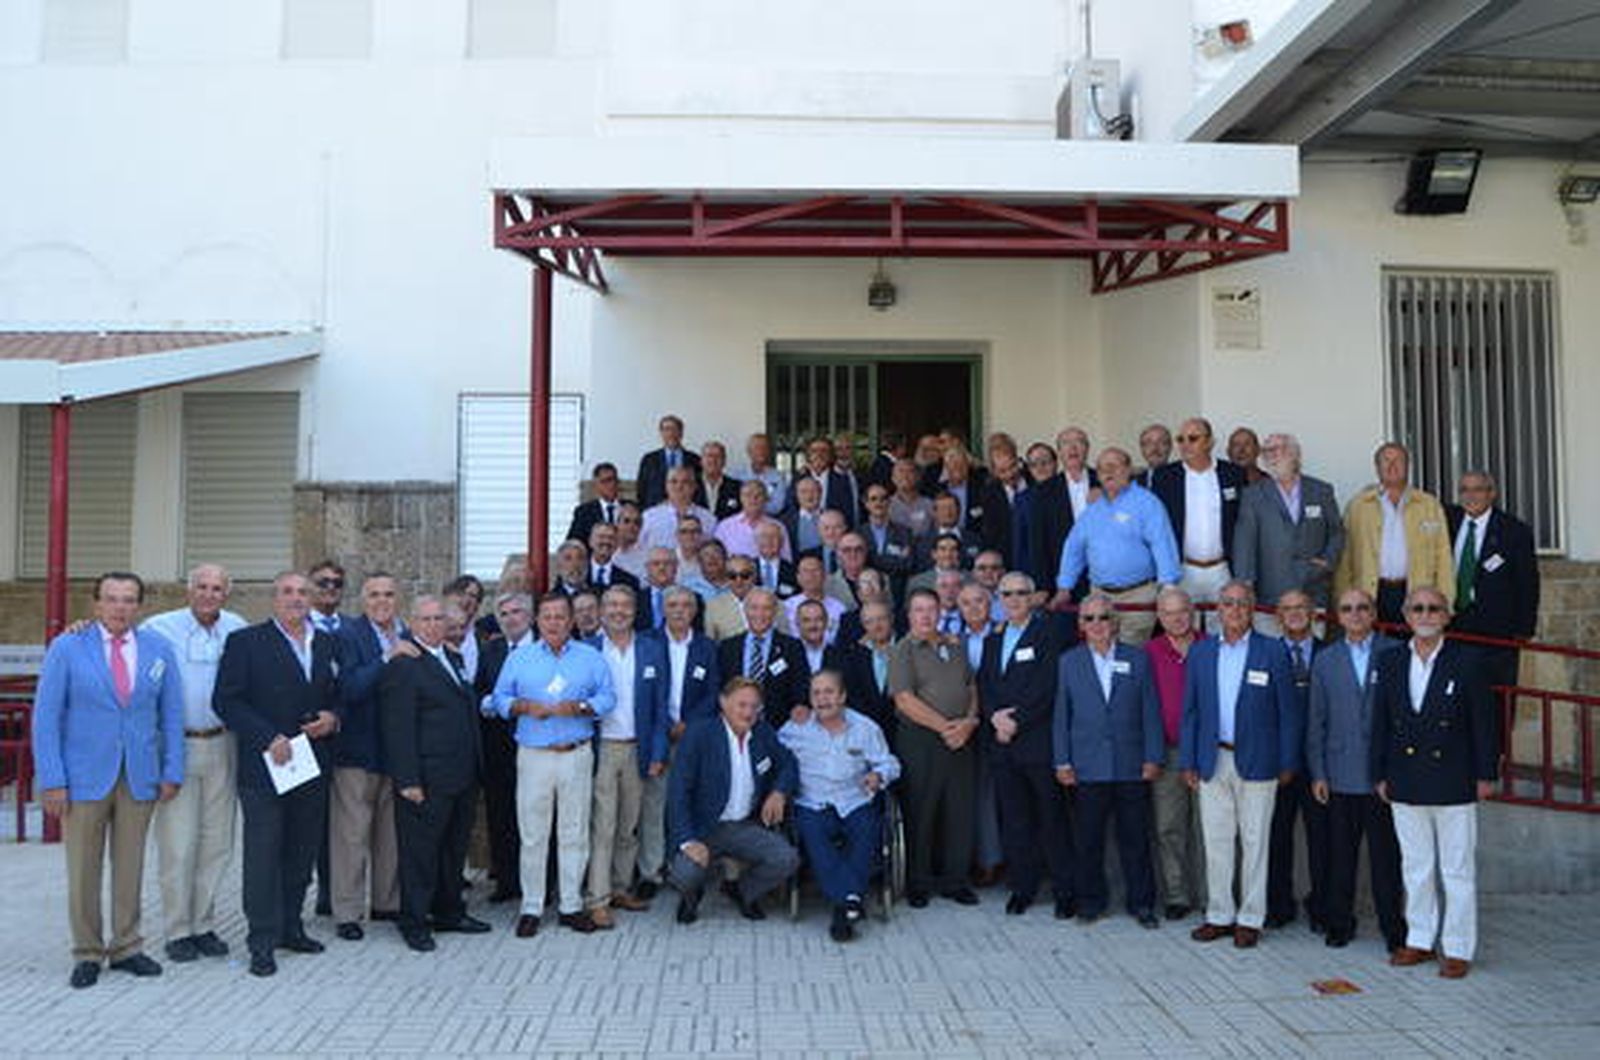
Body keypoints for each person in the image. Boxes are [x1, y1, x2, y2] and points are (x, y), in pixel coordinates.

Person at [34, 572, 184, 989]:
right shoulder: (67, 647)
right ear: (97, 604)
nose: (120, 607)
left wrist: (171, 769)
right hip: (82, 778)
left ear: (140, 606)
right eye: (112, 599)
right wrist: (52, 779)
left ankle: (127, 947)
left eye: (129, 600)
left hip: (139, 776)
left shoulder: (159, 649)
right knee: (83, 869)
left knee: (130, 866)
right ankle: (86, 951)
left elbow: (170, 715)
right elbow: (45, 718)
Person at [213, 571, 342, 978]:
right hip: (265, 766)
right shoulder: (246, 642)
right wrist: (267, 737)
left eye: (303, 592)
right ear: (274, 598)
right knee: (264, 854)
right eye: (288, 592)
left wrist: (333, 718)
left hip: (311, 763)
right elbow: (226, 700)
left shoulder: (326, 642)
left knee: (301, 851)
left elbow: (338, 696)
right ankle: (261, 941)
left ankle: (291, 927)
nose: (296, 599)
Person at [1373, 586, 1498, 979]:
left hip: (1454, 779)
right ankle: (1420, 940)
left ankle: (1459, 948)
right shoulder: (1390, 661)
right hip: (1406, 779)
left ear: (1447, 616)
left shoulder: (1468, 661)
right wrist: (1379, 773)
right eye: (1418, 608)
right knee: (1416, 866)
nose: (1425, 614)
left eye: (1434, 608)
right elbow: (1380, 724)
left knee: (1457, 869)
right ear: (1407, 617)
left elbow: (1484, 723)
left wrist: (1485, 774)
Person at [1179, 581, 1298, 949]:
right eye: (1227, 604)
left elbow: (1289, 714)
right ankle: (1218, 914)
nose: (1234, 610)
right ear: (1218, 609)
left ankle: (1250, 918)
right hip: (1212, 759)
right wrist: (1188, 760)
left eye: (1242, 604)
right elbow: (1191, 712)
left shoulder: (1274, 652)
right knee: (1215, 842)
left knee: (1255, 841)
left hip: (1260, 761)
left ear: (1252, 610)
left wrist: (1287, 760)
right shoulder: (1201, 653)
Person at [491, 592, 617, 938]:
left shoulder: (590, 657)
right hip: (534, 755)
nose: (554, 623)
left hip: (575, 753)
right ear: (537, 620)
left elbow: (609, 698)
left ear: (571, 620)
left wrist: (580, 707)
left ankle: (571, 905)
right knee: (533, 834)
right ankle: (531, 906)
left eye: (560, 616)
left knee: (574, 831)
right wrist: (522, 707)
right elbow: (497, 699)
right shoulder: (521, 658)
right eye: (547, 617)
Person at [142, 563, 247, 964]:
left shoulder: (237, 627)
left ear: (227, 593)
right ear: (189, 590)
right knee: (177, 843)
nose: (209, 594)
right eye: (201, 587)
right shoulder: (158, 628)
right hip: (178, 746)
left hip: (224, 744)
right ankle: (177, 929)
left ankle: (203, 924)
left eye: (217, 588)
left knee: (217, 843)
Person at [377, 595, 490, 952]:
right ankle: (414, 921)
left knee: (452, 850)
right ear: (412, 623)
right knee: (420, 854)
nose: (434, 625)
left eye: (439, 618)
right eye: (425, 619)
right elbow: (397, 727)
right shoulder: (404, 665)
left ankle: (449, 912)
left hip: (461, 775)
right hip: (425, 778)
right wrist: (407, 779)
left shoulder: (453, 658)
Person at [1052, 593, 1163, 928]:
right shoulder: (1069, 662)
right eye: (1089, 619)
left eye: (1103, 618)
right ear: (1080, 625)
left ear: (1115, 622)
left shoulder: (1138, 658)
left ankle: (1142, 903)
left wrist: (1153, 755)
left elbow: (1150, 711)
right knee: (1088, 840)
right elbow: (1062, 716)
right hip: (1087, 766)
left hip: (1131, 764)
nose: (1097, 625)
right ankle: (1090, 902)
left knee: (1135, 840)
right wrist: (1062, 761)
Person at [1306, 588, 1404, 951]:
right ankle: (1339, 924)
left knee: (1386, 860)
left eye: (1362, 608)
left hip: (1381, 778)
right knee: (1340, 857)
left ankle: (1393, 928)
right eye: (1347, 609)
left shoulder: (1394, 653)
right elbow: (1315, 722)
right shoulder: (1326, 659)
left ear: (1374, 612)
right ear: (1338, 616)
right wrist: (1318, 772)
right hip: (1339, 773)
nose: (1356, 614)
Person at [779, 670, 902, 942]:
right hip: (812, 800)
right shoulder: (795, 728)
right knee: (812, 832)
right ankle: (850, 900)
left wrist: (878, 775)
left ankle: (843, 902)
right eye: (816, 693)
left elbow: (890, 763)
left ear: (843, 696)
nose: (822, 699)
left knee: (868, 827)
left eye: (829, 692)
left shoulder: (865, 727)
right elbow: (773, 756)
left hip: (854, 798)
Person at [979, 572, 1073, 918]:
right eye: (1007, 594)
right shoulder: (994, 638)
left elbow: (1047, 687)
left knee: (1052, 819)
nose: (1014, 599)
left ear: (1033, 597)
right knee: (1015, 821)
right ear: (999, 599)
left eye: (1022, 593)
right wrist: (994, 718)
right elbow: (985, 685)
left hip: (1036, 741)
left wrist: (1016, 721)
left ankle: (1065, 891)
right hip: (1002, 745)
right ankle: (1023, 888)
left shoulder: (1049, 634)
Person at [668, 677, 800, 924]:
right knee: (685, 873)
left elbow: (788, 764)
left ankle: (741, 891)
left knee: (787, 858)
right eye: (742, 705)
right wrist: (687, 841)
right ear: (723, 703)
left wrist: (779, 792)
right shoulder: (700, 734)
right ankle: (691, 894)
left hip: (744, 825)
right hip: (704, 827)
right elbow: (678, 792)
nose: (748, 712)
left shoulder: (763, 733)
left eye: (754, 706)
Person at [890, 589, 981, 908]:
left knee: (959, 810)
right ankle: (919, 882)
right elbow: (904, 699)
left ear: (941, 611)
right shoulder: (903, 649)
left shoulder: (954, 646)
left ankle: (956, 881)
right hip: (922, 740)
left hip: (961, 739)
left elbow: (971, 686)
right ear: (909, 615)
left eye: (931, 609)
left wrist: (969, 722)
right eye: (919, 610)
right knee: (922, 810)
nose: (926, 616)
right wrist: (946, 728)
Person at [329, 572, 408, 940]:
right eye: (374, 594)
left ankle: (386, 902)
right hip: (357, 752)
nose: (382, 601)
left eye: (389, 594)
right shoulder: (347, 636)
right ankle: (347, 911)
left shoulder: (406, 634)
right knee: (351, 836)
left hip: (394, 751)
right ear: (363, 600)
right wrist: (387, 658)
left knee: (389, 834)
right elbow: (350, 687)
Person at [587, 586, 670, 929]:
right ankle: (597, 899)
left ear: (635, 611)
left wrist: (658, 751)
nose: (619, 611)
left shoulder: (651, 649)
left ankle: (621, 887)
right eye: (612, 605)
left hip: (638, 748)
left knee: (629, 827)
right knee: (603, 826)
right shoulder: (589, 649)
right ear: (602, 611)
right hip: (603, 748)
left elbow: (660, 706)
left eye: (625, 606)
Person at [638, 587, 721, 899]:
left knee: (689, 802)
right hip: (657, 735)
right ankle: (651, 871)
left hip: (693, 737)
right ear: (662, 608)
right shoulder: (646, 642)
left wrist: (688, 725)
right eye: (672, 605)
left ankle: (687, 865)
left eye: (686, 605)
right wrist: (665, 726)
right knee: (654, 804)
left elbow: (714, 692)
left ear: (695, 611)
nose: (679, 610)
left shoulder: (707, 647)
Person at [1052, 447, 1181, 645]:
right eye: (1103, 468)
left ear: (1128, 470)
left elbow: (1162, 543)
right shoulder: (1093, 509)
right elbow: (1074, 548)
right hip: (1099, 596)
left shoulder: (1146, 503)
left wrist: (1168, 585)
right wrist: (1064, 586)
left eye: (1114, 466)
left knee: (1128, 657)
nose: (1108, 472)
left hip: (1137, 597)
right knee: (1099, 651)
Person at [1335, 442, 1455, 626]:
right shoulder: (1358, 506)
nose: (1392, 465)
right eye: (1386, 460)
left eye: (1399, 460)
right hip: (1371, 592)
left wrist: (1446, 601)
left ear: (1408, 466)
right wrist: (1342, 600)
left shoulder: (1428, 505)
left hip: (1416, 592)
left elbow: (1443, 557)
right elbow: (1345, 558)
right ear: (1377, 467)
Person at [1232, 432, 1344, 629]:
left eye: (1278, 449)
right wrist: (1245, 583)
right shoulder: (1253, 495)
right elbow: (1244, 542)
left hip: (1312, 590)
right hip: (1270, 594)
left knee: (1310, 653)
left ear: (1295, 453)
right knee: (1273, 655)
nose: (1271, 455)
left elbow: (1337, 532)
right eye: (1267, 451)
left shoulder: (1321, 490)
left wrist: (1327, 561)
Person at [1265, 590, 1327, 931]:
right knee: (1277, 838)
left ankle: (1321, 907)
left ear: (1313, 613)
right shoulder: (1266, 653)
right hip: (1278, 764)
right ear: (1278, 616)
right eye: (1287, 609)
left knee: (1322, 839)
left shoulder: (1329, 654)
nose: (1294, 614)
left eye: (1301, 608)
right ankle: (1278, 905)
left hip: (1318, 765)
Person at [1446, 470, 1540, 691]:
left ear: (1492, 493)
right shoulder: (1448, 521)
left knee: (1497, 699)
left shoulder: (1514, 531)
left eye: (1478, 489)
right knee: (1457, 696)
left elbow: (1527, 583)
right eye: (1464, 490)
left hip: (1497, 631)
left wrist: (1524, 630)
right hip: (1454, 625)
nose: (1470, 496)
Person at [1151, 418, 1246, 630]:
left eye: (1193, 438)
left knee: (1227, 629)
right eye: (1181, 439)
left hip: (1222, 568)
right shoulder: (1165, 476)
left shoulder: (1233, 474)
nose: (1185, 444)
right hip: (1183, 569)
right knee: (1182, 629)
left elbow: (1244, 521)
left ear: (1210, 442)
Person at [1145, 587, 1205, 919]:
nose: (1177, 618)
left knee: (1207, 828)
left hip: (1205, 753)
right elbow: (1146, 708)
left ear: (1193, 611)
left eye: (1182, 611)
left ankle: (1213, 898)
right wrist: (1151, 755)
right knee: (1169, 826)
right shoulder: (1149, 652)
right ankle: (1177, 896)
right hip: (1166, 753)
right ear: (1159, 616)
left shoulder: (1211, 646)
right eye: (1168, 613)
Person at [475, 592, 533, 904]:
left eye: (517, 612)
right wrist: (488, 702)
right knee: (502, 815)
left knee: (535, 816)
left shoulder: (542, 649)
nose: (511, 618)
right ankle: (507, 881)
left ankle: (539, 883)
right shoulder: (492, 650)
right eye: (504, 613)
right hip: (499, 747)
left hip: (535, 744)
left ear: (530, 616)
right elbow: (478, 690)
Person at [958, 582, 1004, 887]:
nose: (974, 608)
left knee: (997, 796)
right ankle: (975, 858)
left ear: (990, 604)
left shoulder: (1004, 636)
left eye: (980, 601)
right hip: (964, 726)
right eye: (967, 603)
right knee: (972, 796)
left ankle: (995, 859)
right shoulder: (952, 642)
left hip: (1000, 725)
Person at [716, 588, 807, 729]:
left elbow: (801, 684)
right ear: (745, 611)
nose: (760, 614)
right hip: (734, 727)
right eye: (754, 608)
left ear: (775, 612)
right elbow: (720, 687)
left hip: (778, 728)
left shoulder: (792, 647)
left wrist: (799, 706)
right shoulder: (728, 647)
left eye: (767, 608)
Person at [842, 600, 900, 737]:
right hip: (867, 732)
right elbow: (852, 695)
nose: (877, 626)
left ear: (891, 619)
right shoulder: (854, 655)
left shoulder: (907, 648)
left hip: (904, 731)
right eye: (869, 622)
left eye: (881, 619)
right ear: (863, 625)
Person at [976, 435, 1027, 565]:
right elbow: (991, 535)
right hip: (1005, 560)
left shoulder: (1035, 483)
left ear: (1018, 461)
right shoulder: (988, 494)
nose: (1010, 475)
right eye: (1003, 471)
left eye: (1012, 467)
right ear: (994, 472)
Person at [642, 467, 718, 551]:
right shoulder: (649, 517)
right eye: (674, 482)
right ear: (666, 486)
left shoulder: (708, 519)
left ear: (694, 486)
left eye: (685, 482)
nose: (679, 486)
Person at [636, 413, 702, 510]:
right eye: (666, 429)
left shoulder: (695, 460)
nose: (671, 433)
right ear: (661, 433)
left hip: (686, 512)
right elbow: (641, 491)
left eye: (674, 429)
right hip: (655, 512)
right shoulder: (649, 460)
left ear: (681, 433)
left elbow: (698, 489)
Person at [715, 479, 790, 563]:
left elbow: (786, 560)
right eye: (748, 495)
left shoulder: (778, 526)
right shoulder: (725, 527)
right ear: (741, 498)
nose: (753, 499)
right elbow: (718, 559)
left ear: (766, 499)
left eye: (758, 495)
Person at [784, 555, 847, 643]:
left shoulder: (839, 608)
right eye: (806, 571)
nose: (811, 575)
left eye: (815, 570)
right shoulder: (787, 607)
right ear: (798, 578)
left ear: (824, 575)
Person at [705, 555, 764, 641]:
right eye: (732, 576)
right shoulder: (713, 607)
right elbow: (710, 644)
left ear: (754, 576)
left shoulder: (771, 600)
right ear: (726, 578)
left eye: (745, 575)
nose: (738, 580)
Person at [565, 462, 625, 547]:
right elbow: (573, 542)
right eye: (605, 481)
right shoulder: (584, 512)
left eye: (613, 480)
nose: (611, 485)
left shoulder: (630, 508)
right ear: (596, 485)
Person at [739, 431, 789, 516]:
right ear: (749, 451)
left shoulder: (778, 477)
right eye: (757, 447)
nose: (761, 451)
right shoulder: (737, 476)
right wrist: (765, 499)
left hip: (769, 523)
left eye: (764, 447)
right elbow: (737, 505)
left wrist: (751, 505)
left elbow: (777, 506)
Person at [887, 458, 935, 540]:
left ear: (918, 477)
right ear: (893, 478)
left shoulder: (930, 505)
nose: (905, 476)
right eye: (901, 471)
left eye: (910, 471)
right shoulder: (886, 505)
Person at [587, 522, 641, 593]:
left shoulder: (629, 582)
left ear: (617, 543)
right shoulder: (577, 574)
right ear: (590, 541)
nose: (606, 541)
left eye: (611, 538)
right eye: (601, 537)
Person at [698, 440, 744, 520]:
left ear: (724, 461)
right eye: (709, 456)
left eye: (718, 456)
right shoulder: (690, 485)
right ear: (701, 461)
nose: (713, 460)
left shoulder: (737, 487)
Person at [308, 559, 350, 635]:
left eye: (337, 583)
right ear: (309, 588)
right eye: (324, 583)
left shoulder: (354, 628)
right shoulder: (298, 625)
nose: (331, 587)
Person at [612, 502, 649, 579]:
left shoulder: (647, 557)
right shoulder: (608, 551)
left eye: (637, 523)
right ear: (617, 524)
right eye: (626, 521)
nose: (632, 526)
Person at [1137, 423, 1173, 488]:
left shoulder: (1182, 478)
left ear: (1170, 447)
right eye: (1148, 443)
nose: (1155, 448)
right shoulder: (1133, 482)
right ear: (1142, 448)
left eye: (1162, 442)